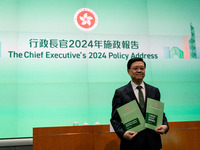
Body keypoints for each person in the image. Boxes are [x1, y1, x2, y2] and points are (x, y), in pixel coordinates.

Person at [110, 57, 169, 150]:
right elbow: (115, 119)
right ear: (128, 71)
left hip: (153, 143)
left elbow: (159, 113)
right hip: (131, 143)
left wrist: (165, 125)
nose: (139, 70)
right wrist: (123, 133)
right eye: (135, 68)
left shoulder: (154, 91)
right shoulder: (120, 93)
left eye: (142, 68)